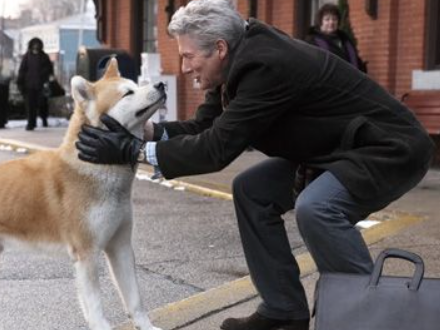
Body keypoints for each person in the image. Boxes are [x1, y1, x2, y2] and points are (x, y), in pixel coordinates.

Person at [75, 1, 434, 330]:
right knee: (252, 190)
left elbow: (216, 149)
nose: (184, 69)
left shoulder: (265, 65)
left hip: (388, 148)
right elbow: (205, 127)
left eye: (188, 57)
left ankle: (373, 316)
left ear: (219, 49)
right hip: (337, 150)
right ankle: (284, 310)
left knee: (318, 208)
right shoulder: (234, 60)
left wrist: (130, 151)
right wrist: (145, 131)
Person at [305, 3, 367, 72]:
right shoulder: (312, 41)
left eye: (334, 19)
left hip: (351, 80)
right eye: (327, 19)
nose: (331, 22)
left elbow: (356, 61)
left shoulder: (346, 40)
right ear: (320, 22)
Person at [16, 37, 54, 130]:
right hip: (29, 86)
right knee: (30, 105)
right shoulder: (27, 57)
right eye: (34, 44)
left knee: (42, 104)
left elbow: (49, 69)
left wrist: (45, 77)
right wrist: (20, 82)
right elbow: (22, 70)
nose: (35, 46)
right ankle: (31, 123)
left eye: (37, 44)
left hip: (41, 85)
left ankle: (44, 119)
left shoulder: (44, 56)